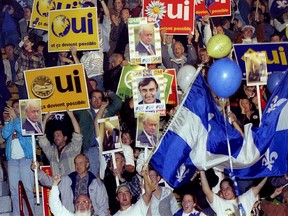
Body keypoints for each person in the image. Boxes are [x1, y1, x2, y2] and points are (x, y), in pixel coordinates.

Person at [36, 153, 109, 215]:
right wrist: (38, 171)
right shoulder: (65, 180)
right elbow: (48, 181)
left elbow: (103, 206)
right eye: (76, 164)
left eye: (80, 163)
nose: (78, 166)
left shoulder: (97, 183)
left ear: (87, 164)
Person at [2, 100, 35, 216]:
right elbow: (5, 134)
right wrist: (11, 120)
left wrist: (15, 118)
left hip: (25, 159)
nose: (15, 108)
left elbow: (22, 131)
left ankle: (30, 213)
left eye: (17, 107)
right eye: (14, 107)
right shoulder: (10, 122)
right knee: (14, 191)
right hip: (12, 160)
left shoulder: (28, 121)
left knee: (28, 189)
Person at [200, 170, 267, 215]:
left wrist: (269, 172)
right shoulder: (219, 203)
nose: (225, 191)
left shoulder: (244, 199)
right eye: (222, 189)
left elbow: (258, 187)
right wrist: (201, 171)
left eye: (227, 188)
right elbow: (207, 191)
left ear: (233, 188)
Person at [38, 110, 82, 176]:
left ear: (65, 137)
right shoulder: (51, 151)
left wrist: (71, 116)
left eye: (58, 135)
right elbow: (41, 137)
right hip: (57, 184)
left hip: (72, 183)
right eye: (54, 136)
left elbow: (78, 133)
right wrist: (45, 118)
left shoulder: (73, 148)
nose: (56, 138)